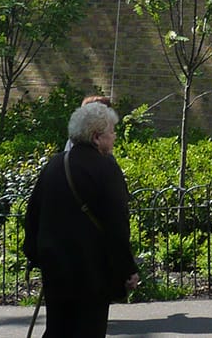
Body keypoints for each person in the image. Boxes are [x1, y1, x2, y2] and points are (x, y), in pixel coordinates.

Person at [24, 102, 139, 337]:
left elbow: (32, 215)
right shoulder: (107, 168)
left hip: (56, 270)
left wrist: (38, 255)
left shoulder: (55, 164)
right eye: (111, 132)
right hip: (91, 273)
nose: (115, 136)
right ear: (97, 137)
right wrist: (128, 269)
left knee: (58, 330)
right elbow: (117, 226)